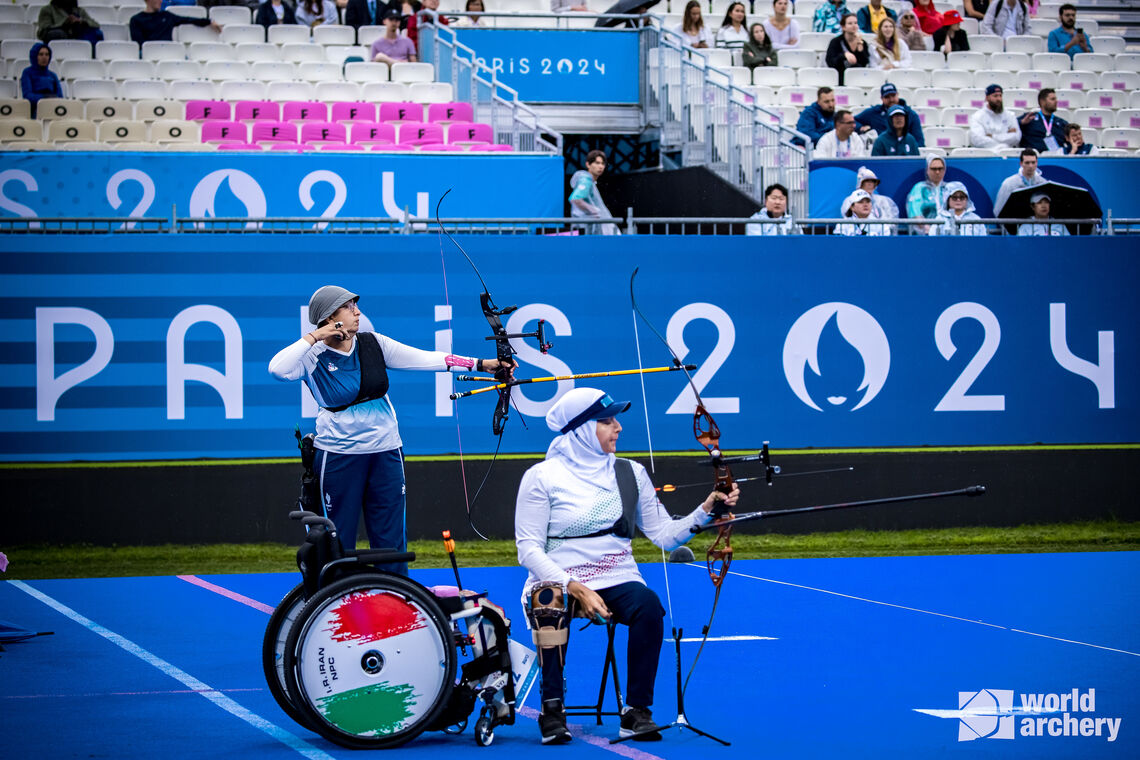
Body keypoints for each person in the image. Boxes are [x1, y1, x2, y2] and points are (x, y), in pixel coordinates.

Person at [515, 388, 738, 745]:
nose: (617, 428)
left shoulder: (631, 472)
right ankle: (552, 710)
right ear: (581, 430)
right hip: (559, 578)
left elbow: (664, 535)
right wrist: (574, 586)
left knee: (649, 607)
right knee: (547, 603)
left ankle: (636, 712)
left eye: (616, 420)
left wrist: (707, 509)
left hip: (617, 575)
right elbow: (528, 549)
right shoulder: (541, 477)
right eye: (606, 421)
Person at [268, 287, 510, 569]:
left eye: (356, 306)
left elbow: (426, 358)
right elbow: (277, 369)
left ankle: (393, 598)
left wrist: (482, 364)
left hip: (386, 453)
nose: (358, 312)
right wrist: (316, 336)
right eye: (349, 307)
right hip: (338, 456)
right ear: (330, 316)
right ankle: (333, 605)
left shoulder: (373, 344)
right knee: (335, 539)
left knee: (391, 541)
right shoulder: (312, 357)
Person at [856, 83, 925, 147]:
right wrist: (860, 127)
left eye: (893, 95)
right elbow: (853, 121)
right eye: (887, 97)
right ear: (881, 98)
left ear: (897, 94)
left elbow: (919, 141)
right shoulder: (873, 112)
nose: (891, 99)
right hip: (881, 150)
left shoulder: (911, 114)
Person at [569, 150, 619, 235]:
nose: (600, 166)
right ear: (588, 164)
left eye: (602, 164)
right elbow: (576, 199)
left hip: (590, 231)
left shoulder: (591, 183)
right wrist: (593, 210)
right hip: (587, 232)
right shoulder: (585, 179)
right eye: (597, 163)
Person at [130, 0, 221, 44]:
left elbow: (188, 19)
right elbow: (139, 44)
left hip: (170, 53)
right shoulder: (136, 20)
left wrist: (209, 21)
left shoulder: (166, 16)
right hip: (150, 55)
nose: (161, 1)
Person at [906, 154, 951, 233]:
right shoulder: (919, 188)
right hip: (926, 233)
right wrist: (928, 230)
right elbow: (915, 211)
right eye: (934, 169)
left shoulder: (950, 188)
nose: (937, 172)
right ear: (927, 170)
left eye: (940, 169)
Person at [994, 148, 1046, 215]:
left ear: (1037, 163)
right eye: (1027, 163)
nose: (1030, 166)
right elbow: (998, 210)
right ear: (1021, 163)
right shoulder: (1009, 184)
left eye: (1033, 162)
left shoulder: (1043, 182)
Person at [969, 84, 1020, 149]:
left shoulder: (1010, 115)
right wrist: (1003, 144)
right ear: (987, 98)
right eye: (995, 96)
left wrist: (993, 136)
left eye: (1000, 96)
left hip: (1008, 153)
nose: (999, 99)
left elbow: (1016, 137)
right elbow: (978, 140)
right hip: (987, 154)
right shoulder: (977, 116)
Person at [36, 0, 103, 49]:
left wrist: (81, 21)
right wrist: (64, 23)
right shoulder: (48, 10)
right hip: (59, 36)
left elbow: (95, 24)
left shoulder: (79, 10)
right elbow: (43, 29)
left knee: (97, 33)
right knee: (58, 33)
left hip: (77, 36)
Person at [20, 43, 62, 119]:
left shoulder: (53, 75)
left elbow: (60, 96)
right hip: (35, 109)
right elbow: (27, 95)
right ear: (35, 56)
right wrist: (45, 97)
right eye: (41, 54)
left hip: (53, 108)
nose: (44, 57)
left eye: (47, 54)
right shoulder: (27, 73)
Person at [1018, 88, 1068, 154]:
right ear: (1042, 101)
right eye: (1052, 99)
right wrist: (1021, 123)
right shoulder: (1029, 118)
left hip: (1056, 159)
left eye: (1056, 99)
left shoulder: (1062, 123)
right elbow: (1010, 127)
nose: (1056, 101)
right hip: (1033, 159)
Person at [825, 13, 869, 86]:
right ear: (843, 27)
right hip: (839, 79)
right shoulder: (836, 42)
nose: (854, 25)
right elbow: (831, 62)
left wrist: (859, 44)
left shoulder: (863, 42)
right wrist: (844, 55)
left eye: (855, 23)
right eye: (850, 23)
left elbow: (864, 63)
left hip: (858, 78)